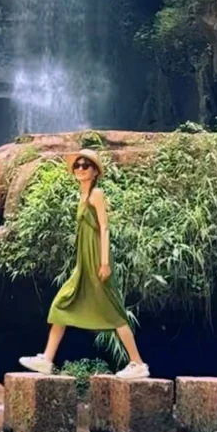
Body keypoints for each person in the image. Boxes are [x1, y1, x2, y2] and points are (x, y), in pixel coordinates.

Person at [18, 149, 149, 379]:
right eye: (77, 165)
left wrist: (105, 262)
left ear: (95, 171)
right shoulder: (81, 195)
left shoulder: (96, 193)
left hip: (98, 261)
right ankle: (47, 360)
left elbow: (104, 228)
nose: (80, 168)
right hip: (84, 264)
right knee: (61, 305)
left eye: (85, 165)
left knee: (115, 313)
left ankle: (138, 363)